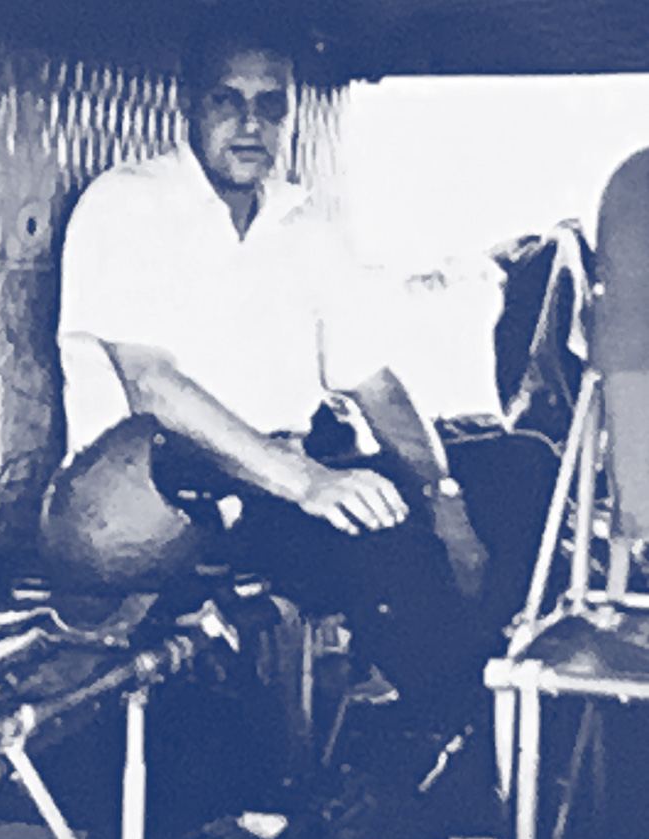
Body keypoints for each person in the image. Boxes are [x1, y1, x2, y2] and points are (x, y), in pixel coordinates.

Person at [45, 19, 553, 735]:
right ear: (189, 103)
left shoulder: (302, 220)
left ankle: (478, 689)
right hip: (165, 498)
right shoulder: (128, 203)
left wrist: (447, 502)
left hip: (287, 473)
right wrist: (310, 483)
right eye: (227, 100)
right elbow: (151, 386)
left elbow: (372, 381)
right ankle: (449, 731)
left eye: (271, 104)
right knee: (380, 537)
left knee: (524, 466)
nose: (250, 123)